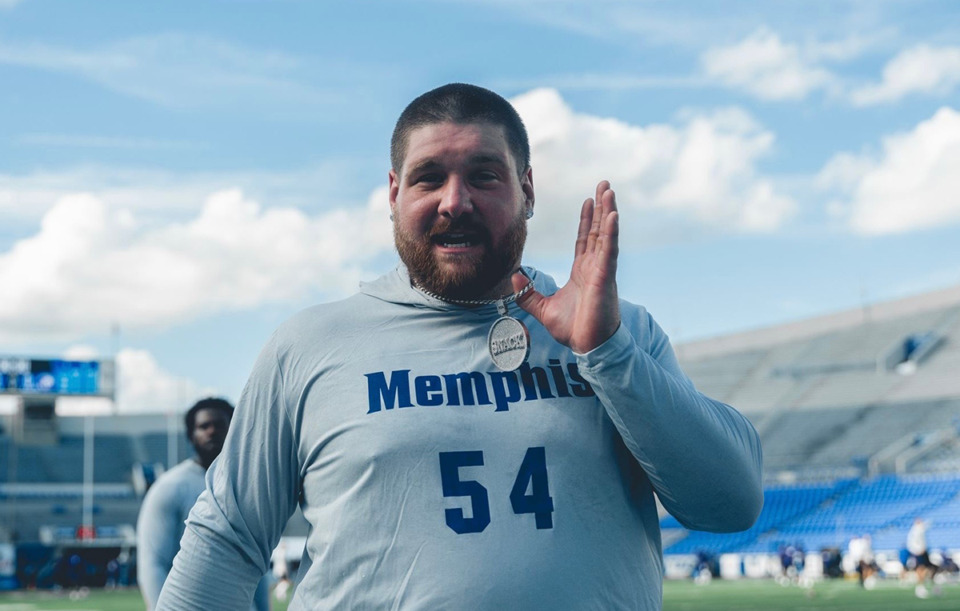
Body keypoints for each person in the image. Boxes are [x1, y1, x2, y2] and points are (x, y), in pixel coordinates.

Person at [157, 83, 763, 610]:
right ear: (393, 195)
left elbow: (730, 504)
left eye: (483, 175)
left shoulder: (617, 334)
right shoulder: (310, 346)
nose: (455, 201)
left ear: (527, 189)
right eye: (429, 178)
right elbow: (227, 540)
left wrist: (608, 352)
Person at [137, 398, 270, 611]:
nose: (212, 431)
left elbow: (259, 562)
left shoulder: (247, 487)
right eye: (204, 426)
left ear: (234, 430)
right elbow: (153, 563)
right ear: (191, 435)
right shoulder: (169, 487)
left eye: (220, 425)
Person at [906, 517, 938, 598]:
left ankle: (932, 586)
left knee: (931, 568)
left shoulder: (919, 529)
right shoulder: (914, 531)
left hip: (923, 552)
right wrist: (918, 550)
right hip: (919, 552)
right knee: (921, 569)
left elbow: (925, 526)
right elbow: (911, 544)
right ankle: (920, 588)